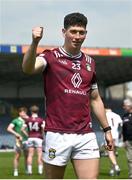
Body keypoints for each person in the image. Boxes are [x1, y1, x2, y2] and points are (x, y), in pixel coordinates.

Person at [22, 12, 114, 179]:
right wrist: (35, 42)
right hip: (57, 134)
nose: (77, 36)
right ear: (63, 32)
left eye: (81, 32)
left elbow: (94, 98)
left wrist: (107, 130)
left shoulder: (90, 63)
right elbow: (28, 68)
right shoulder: (50, 57)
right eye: (73, 31)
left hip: (85, 134)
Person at [21, 105, 45, 175]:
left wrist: (27, 135)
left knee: (30, 155)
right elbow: (43, 129)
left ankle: (29, 171)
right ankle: (40, 171)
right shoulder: (41, 120)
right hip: (38, 138)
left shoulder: (27, 120)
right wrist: (43, 136)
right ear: (38, 111)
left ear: (31, 111)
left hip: (30, 137)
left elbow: (22, 129)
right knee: (40, 154)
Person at [7, 107, 29, 176]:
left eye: (25, 112)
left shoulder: (28, 120)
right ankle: (15, 171)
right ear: (19, 113)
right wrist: (17, 134)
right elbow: (9, 128)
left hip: (27, 141)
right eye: (22, 112)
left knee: (27, 156)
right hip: (18, 141)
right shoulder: (15, 120)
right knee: (17, 156)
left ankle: (27, 170)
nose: (24, 113)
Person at [105, 107, 122, 176]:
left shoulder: (105, 115)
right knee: (113, 153)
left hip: (108, 136)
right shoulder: (117, 115)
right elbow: (121, 125)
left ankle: (116, 166)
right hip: (116, 135)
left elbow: (102, 127)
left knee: (110, 152)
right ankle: (112, 170)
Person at [122, 98, 132, 179]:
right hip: (128, 141)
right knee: (130, 159)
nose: (123, 107)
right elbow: (123, 130)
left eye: (125, 106)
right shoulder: (124, 116)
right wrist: (124, 140)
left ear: (130, 106)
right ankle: (131, 176)